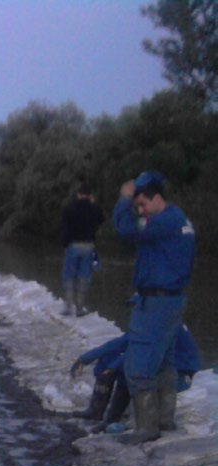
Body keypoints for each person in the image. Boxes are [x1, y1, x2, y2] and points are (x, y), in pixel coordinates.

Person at [111, 170, 196, 444]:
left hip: (158, 304)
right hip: (172, 299)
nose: (140, 211)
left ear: (157, 199)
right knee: (164, 364)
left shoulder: (164, 222)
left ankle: (147, 428)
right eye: (137, 206)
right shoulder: (179, 219)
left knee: (138, 365)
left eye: (143, 205)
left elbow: (124, 229)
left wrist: (124, 200)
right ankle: (164, 421)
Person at [70, 324, 200, 434]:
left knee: (126, 368)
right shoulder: (149, 322)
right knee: (108, 358)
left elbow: (141, 354)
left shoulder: (163, 325)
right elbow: (122, 342)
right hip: (159, 366)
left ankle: (121, 420)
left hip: (179, 375)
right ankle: (97, 411)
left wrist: (113, 367)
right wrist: (85, 359)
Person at [60, 183, 106, 316]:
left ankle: (68, 307)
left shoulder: (69, 208)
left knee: (69, 276)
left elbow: (65, 229)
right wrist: (94, 204)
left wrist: (65, 245)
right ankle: (80, 308)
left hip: (73, 245)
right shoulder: (94, 209)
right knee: (84, 276)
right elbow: (101, 219)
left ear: (78, 194)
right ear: (90, 195)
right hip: (89, 246)